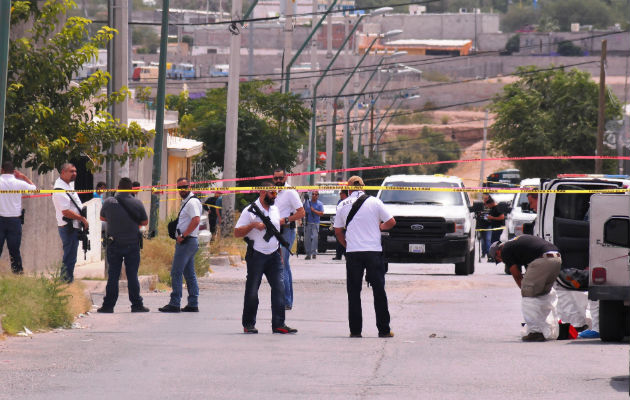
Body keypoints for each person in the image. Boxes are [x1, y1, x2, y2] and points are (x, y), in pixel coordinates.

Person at [334, 176, 396, 338]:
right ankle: (384, 329)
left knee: (354, 292)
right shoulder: (375, 202)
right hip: (373, 251)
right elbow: (391, 222)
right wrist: (380, 226)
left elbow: (338, 230)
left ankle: (355, 331)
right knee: (379, 291)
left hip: (353, 253)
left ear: (348, 190)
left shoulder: (342, 205)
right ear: (363, 188)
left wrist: (347, 245)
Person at [234, 182, 297, 334]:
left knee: (279, 289)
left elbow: (276, 233)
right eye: (272, 193)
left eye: (276, 193)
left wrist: (280, 255)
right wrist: (253, 226)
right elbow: (237, 232)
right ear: (262, 193)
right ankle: (249, 324)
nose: (275, 196)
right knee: (252, 290)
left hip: (274, 255)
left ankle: (279, 324)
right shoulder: (250, 211)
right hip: (257, 254)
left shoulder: (275, 209)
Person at [489, 235, 562, 341]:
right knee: (544, 294)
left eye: (499, 259)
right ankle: (549, 328)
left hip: (543, 259)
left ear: (498, 252)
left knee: (528, 294)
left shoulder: (505, 251)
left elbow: (518, 276)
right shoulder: (515, 245)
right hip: (557, 258)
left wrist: (526, 291)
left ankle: (535, 331)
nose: (502, 261)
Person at [97, 178, 149, 313]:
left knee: (113, 275)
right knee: (132, 275)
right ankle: (136, 305)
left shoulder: (109, 202)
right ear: (131, 188)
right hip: (132, 244)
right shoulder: (137, 203)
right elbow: (145, 222)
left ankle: (108, 306)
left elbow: (102, 218)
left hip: (114, 244)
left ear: (118, 187)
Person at [159, 178, 203, 313]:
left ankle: (175, 303)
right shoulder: (188, 202)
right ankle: (193, 303)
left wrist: (184, 235)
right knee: (189, 273)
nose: (182, 190)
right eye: (179, 187)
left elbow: (196, 220)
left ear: (190, 186)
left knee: (176, 272)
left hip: (187, 241)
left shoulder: (192, 202)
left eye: (184, 186)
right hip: (188, 241)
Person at [273, 168, 305, 310]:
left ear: (286, 178)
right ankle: (284, 299)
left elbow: (301, 212)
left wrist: (285, 219)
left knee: (282, 265)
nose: (278, 181)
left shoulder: (291, 192)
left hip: (286, 230)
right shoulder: (272, 192)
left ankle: (286, 301)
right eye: (276, 178)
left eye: (281, 178)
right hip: (273, 232)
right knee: (280, 265)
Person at [52, 163, 89, 283]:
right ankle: (65, 281)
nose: (74, 173)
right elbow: (66, 211)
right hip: (68, 227)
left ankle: (67, 280)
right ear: (63, 172)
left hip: (73, 226)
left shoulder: (68, 185)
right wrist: (82, 219)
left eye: (75, 171)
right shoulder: (60, 189)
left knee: (71, 257)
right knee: (69, 256)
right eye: (71, 171)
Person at [0, 161, 36, 274]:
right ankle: (18, 274)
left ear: (2, 170)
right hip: (14, 222)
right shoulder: (18, 183)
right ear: (14, 172)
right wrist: (24, 177)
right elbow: (34, 189)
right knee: (14, 251)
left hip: (0, 220)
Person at [482, 194, 505, 261]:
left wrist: (492, 217)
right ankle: (494, 257)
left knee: (495, 243)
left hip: (498, 227)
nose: (488, 206)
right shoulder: (492, 208)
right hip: (494, 227)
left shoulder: (497, 208)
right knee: (494, 242)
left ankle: (497, 256)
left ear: (491, 203)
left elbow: (502, 217)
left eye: (488, 205)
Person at [303, 190, 323, 260]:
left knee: (314, 238)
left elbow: (321, 213)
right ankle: (308, 254)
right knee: (307, 239)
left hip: (315, 223)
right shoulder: (307, 202)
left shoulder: (320, 204)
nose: (314, 195)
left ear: (318, 196)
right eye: (313, 194)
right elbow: (303, 210)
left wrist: (314, 210)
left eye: (316, 194)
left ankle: (314, 252)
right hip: (308, 223)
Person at [333, 190, 348, 261]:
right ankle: (338, 255)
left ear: (344, 194)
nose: (340, 195)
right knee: (339, 240)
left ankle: (346, 254)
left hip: (346, 224)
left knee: (346, 239)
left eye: (341, 193)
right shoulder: (340, 202)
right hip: (340, 223)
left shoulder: (348, 201)